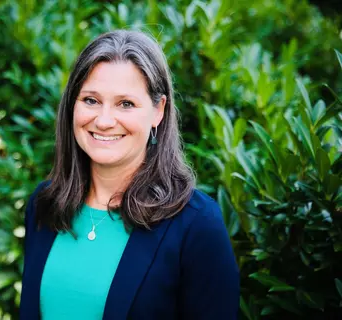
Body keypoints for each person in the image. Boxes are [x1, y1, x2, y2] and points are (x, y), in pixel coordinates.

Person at [19, 30, 239, 320]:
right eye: (91, 100)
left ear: (158, 110)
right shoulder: (45, 204)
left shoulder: (197, 225)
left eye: (126, 103)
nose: (105, 120)